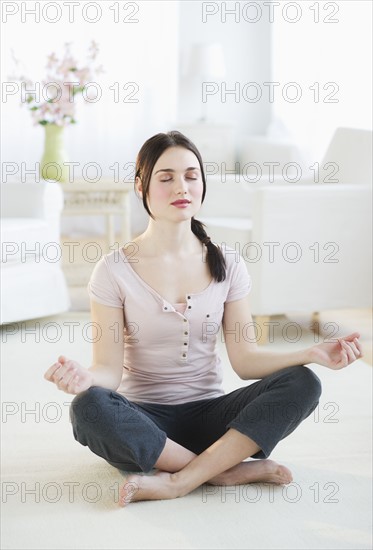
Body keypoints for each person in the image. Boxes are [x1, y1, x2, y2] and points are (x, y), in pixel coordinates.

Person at [44, 130, 363, 506]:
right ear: (140, 186)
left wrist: (310, 353)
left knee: (303, 383)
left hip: (215, 419)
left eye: (191, 175)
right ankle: (222, 471)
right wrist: (85, 379)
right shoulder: (113, 270)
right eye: (166, 177)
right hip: (147, 424)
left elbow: (245, 361)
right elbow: (108, 372)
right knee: (88, 407)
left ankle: (180, 480)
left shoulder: (228, 263)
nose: (182, 186)